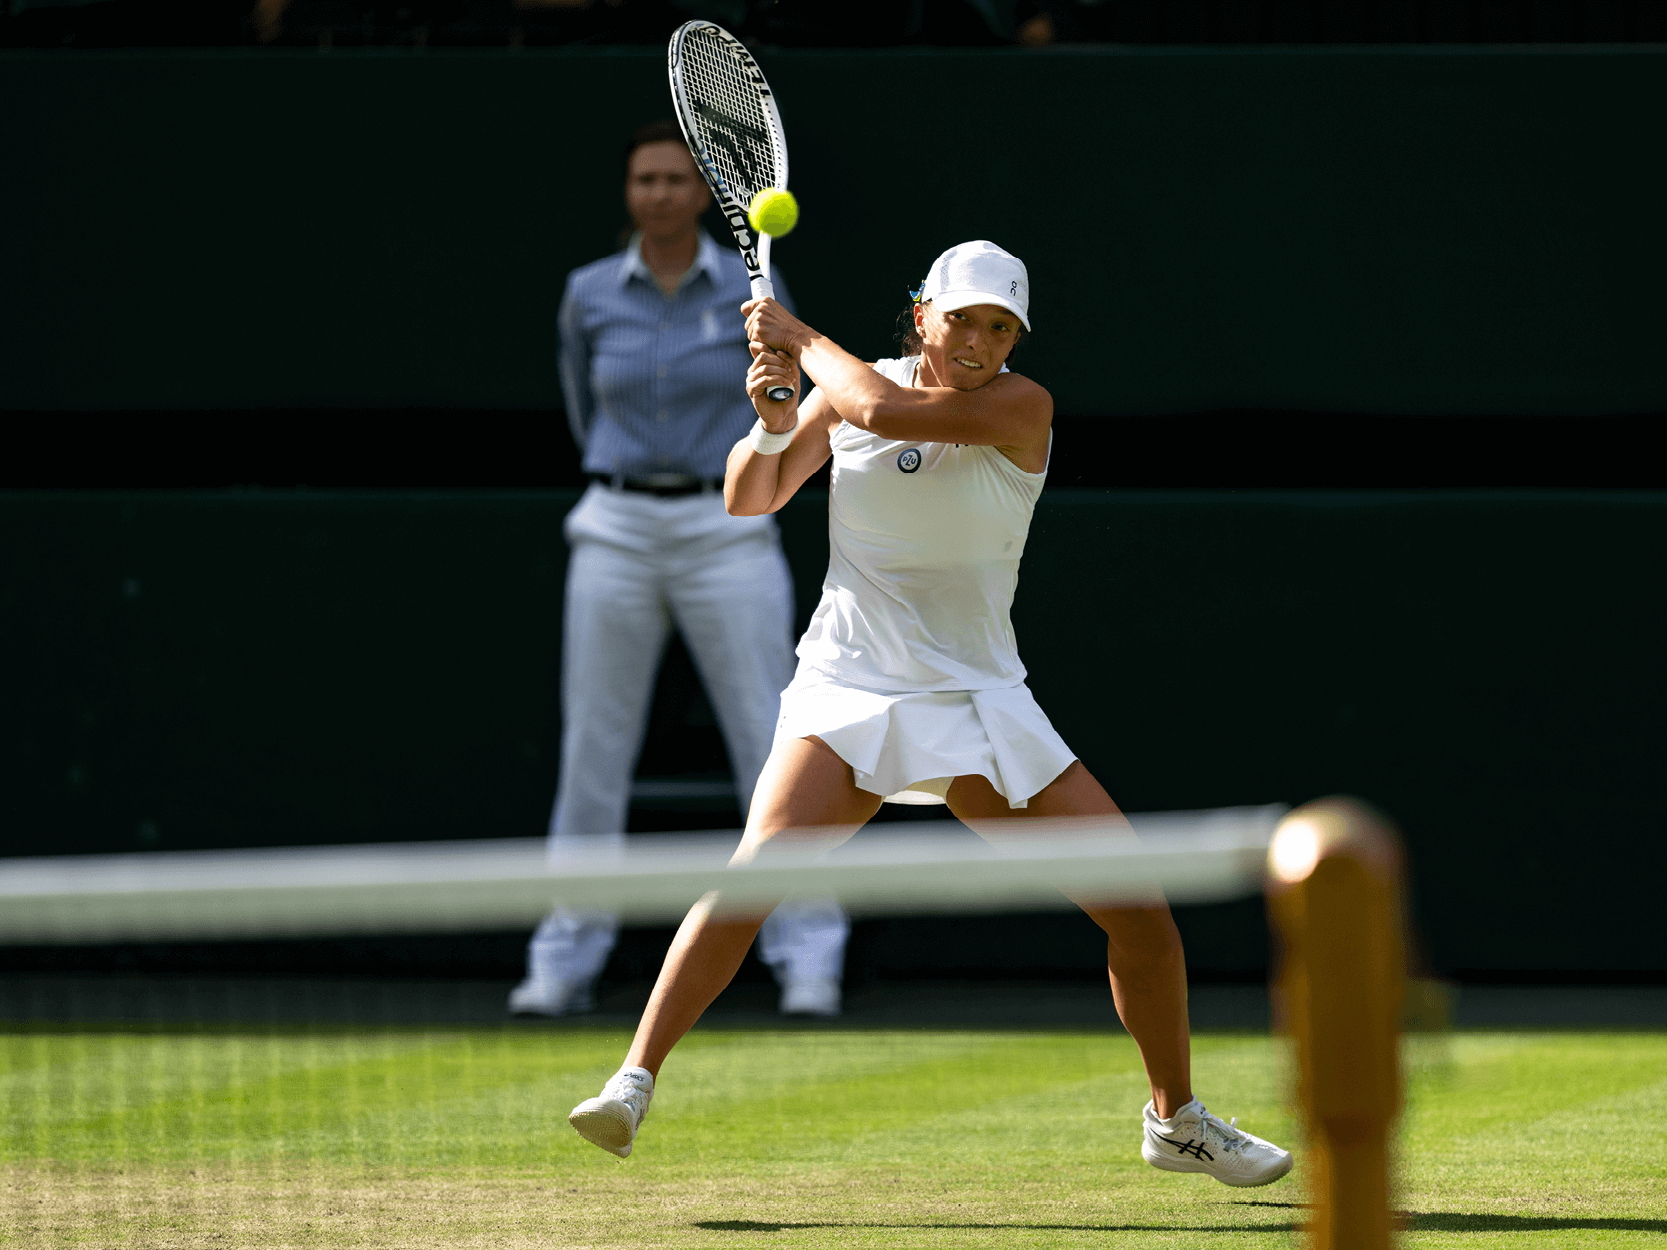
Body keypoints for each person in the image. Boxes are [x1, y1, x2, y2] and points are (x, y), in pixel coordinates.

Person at [564, 240, 1293, 1187]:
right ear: (922, 317)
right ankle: (630, 1083)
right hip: (849, 685)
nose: (979, 342)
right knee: (751, 878)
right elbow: (750, 497)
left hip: (978, 697)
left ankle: (1174, 1120)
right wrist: (775, 425)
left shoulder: (1018, 407)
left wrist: (800, 339)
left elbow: (880, 409)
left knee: (1141, 915)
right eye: (961, 321)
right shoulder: (848, 389)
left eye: (1000, 328)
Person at [506, 120, 849, 1020]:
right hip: (614, 525)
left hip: (727, 525)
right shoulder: (587, 294)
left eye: (674, 179)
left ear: (702, 194)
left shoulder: (752, 291)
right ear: (628, 193)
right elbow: (582, 405)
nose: (658, 193)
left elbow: (786, 412)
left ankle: (808, 957)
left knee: (773, 745)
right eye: (644, 180)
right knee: (593, 748)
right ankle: (563, 961)